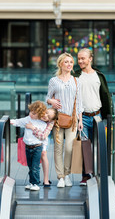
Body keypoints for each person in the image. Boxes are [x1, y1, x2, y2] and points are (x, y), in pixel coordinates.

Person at [73, 48, 113, 186]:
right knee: (85, 147)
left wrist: (109, 117)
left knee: (100, 146)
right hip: (82, 117)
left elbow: (106, 96)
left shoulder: (99, 76)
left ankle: (101, 174)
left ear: (90, 59)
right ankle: (86, 176)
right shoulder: (76, 75)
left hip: (98, 116)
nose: (80, 61)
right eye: (78, 58)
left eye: (83, 58)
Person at [46, 52, 84, 188]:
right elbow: (47, 97)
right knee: (58, 149)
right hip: (57, 120)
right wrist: (52, 101)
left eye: (71, 62)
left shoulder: (76, 81)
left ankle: (67, 174)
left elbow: (79, 102)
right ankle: (60, 177)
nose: (69, 64)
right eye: (66, 62)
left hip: (72, 120)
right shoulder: (53, 81)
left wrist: (80, 120)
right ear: (60, 64)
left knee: (69, 148)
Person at [10, 101, 48, 191]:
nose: (31, 114)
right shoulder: (27, 119)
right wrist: (11, 121)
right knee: (30, 166)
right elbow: (18, 122)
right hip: (28, 147)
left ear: (39, 114)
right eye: (31, 112)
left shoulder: (42, 124)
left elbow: (44, 138)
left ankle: (35, 183)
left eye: (34, 113)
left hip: (37, 147)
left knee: (35, 166)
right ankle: (31, 182)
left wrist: (44, 149)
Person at [26, 108, 59, 187]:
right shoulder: (37, 113)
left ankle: (46, 179)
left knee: (43, 154)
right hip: (32, 138)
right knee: (32, 161)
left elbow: (44, 136)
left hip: (42, 137)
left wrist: (33, 128)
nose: (45, 115)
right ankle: (33, 180)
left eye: (48, 116)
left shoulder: (50, 123)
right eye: (46, 112)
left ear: (50, 120)